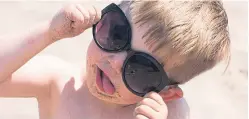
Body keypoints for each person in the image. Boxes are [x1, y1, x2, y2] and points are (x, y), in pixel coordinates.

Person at [0, 1, 230, 119]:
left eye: (141, 69)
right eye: (116, 34)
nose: (116, 62)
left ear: (166, 93)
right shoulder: (59, 83)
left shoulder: (169, 113)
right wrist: (48, 33)